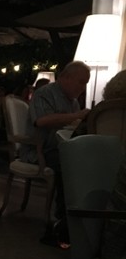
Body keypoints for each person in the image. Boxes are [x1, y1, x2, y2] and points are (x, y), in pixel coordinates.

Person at [20, 61, 91, 246]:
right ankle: (61, 224)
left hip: (59, 149)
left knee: (85, 164)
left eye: (85, 83)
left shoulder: (73, 102)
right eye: (81, 82)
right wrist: (77, 116)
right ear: (65, 77)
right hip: (39, 150)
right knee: (69, 165)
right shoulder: (44, 93)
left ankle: (75, 220)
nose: (83, 88)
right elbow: (42, 121)